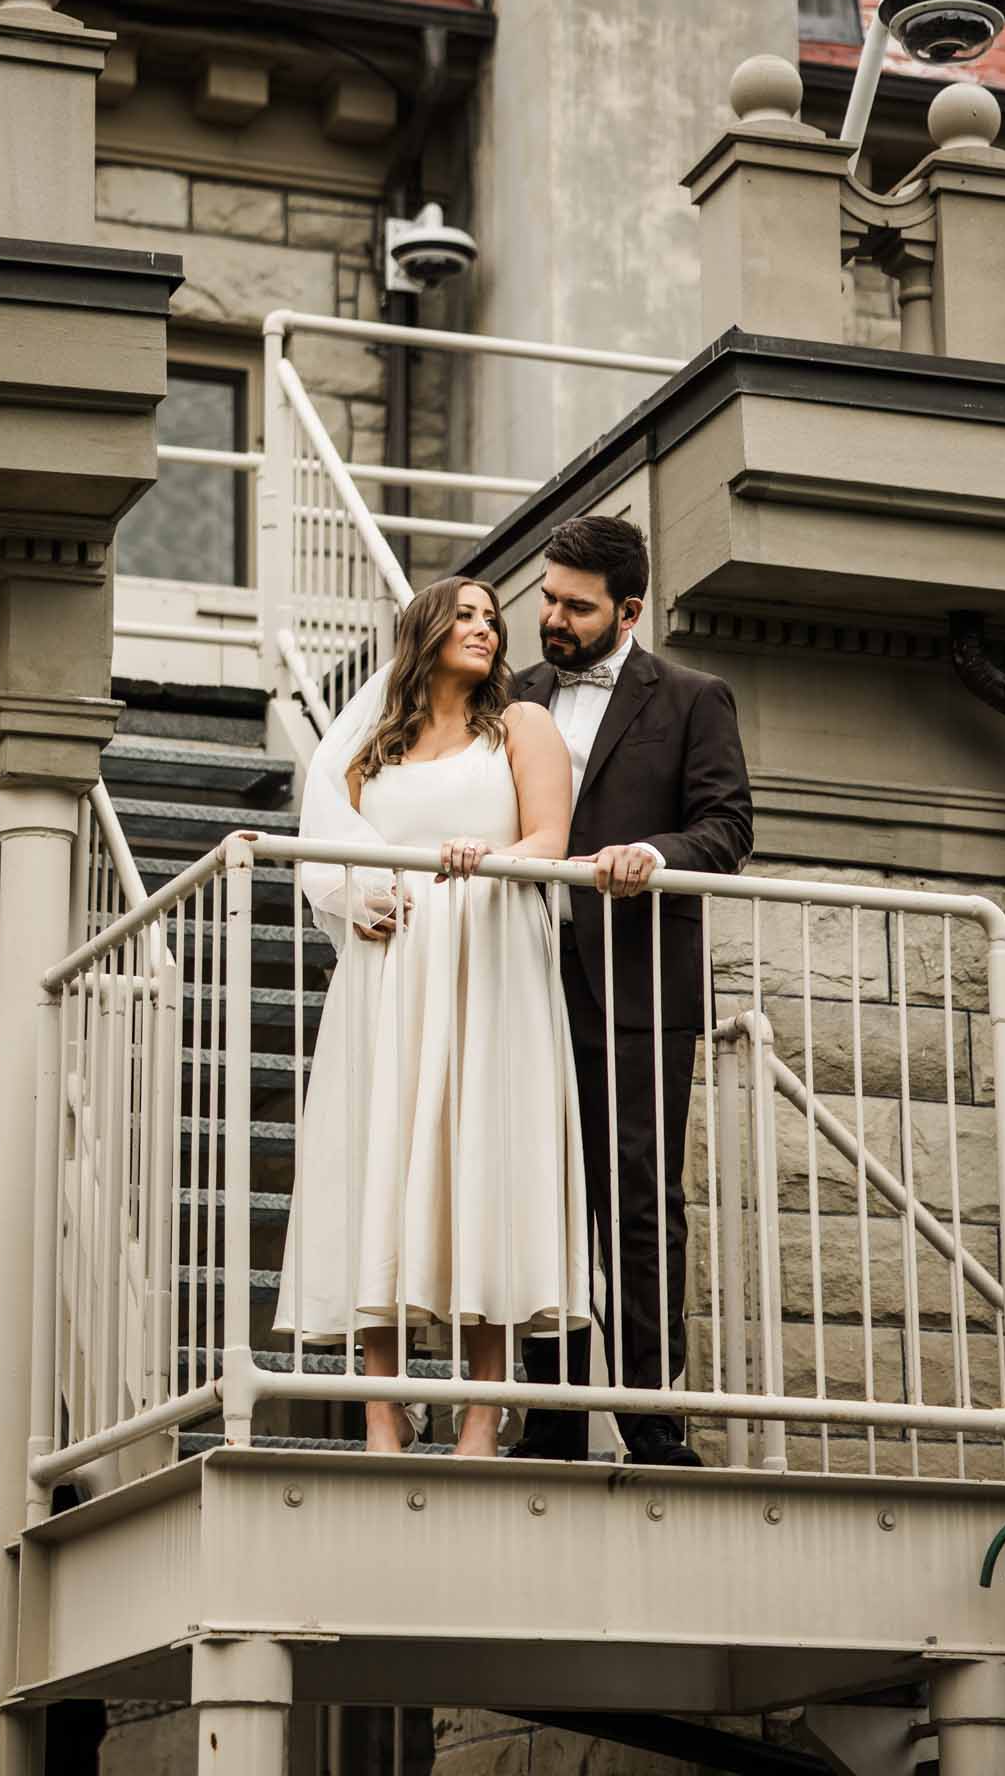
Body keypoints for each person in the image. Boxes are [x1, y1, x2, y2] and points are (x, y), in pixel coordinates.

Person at [274, 576, 590, 1458]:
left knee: (479, 1165)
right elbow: (323, 845)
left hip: (486, 962)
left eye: (494, 618)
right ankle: (383, 1414)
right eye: (466, 615)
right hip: (389, 973)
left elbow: (550, 842)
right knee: (380, 1164)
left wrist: (486, 856)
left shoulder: (522, 725)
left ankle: (482, 1418)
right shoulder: (372, 741)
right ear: (424, 630)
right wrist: (354, 897)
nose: (486, 628)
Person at [509, 516, 753, 1467]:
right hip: (518, 974)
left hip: (638, 981)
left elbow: (727, 825)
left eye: (576, 606)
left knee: (640, 1199)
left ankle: (654, 1425)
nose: (553, 619)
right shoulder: (511, 695)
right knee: (539, 1194)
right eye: (547, 598)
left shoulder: (694, 697)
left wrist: (650, 855)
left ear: (629, 610)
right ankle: (552, 1419)